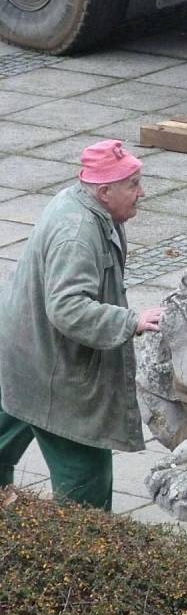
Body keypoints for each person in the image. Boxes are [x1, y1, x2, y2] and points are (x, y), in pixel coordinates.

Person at [0, 139, 164, 511]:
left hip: (23, 352)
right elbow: (68, 308)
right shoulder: (77, 233)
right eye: (133, 184)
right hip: (52, 371)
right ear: (104, 191)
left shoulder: (84, 206)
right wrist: (131, 321)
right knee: (85, 482)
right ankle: (85, 554)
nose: (142, 192)